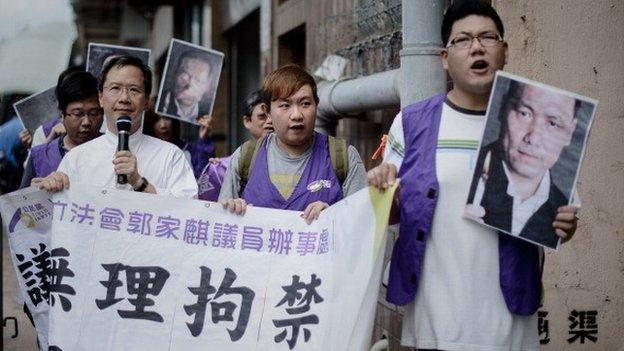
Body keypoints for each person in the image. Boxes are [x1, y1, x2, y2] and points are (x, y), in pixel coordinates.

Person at [367, 1, 579, 350]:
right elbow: (389, 213)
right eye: (463, 40)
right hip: (434, 319)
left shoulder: (541, 122)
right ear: (445, 58)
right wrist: (381, 189)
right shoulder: (411, 123)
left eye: (487, 38)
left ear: (505, 51)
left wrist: (566, 226)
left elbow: (558, 219)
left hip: (509, 319)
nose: (477, 47)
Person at [218, 65, 367, 223]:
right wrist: (231, 211)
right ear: (267, 111)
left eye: (305, 104)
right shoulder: (245, 157)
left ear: (316, 105)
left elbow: (363, 225)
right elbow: (220, 227)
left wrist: (333, 215)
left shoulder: (343, 157)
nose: (297, 115)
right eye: (285, 105)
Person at [36, 56, 197, 198]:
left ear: (147, 101)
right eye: (115, 88)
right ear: (100, 97)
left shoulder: (171, 156)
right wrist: (45, 191)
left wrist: (140, 184)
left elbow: (190, 211)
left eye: (134, 90)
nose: (124, 98)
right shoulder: (76, 158)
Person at [466, 80, 579, 248]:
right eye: (525, 113)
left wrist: (568, 229)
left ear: (570, 132)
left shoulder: (562, 204)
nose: (533, 139)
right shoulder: (467, 174)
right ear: (503, 108)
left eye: (553, 123)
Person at [21, 71, 104, 188]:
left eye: (94, 113)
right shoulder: (39, 156)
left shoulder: (114, 153)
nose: (86, 122)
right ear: (62, 113)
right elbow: (18, 204)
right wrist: (33, 194)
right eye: (78, 114)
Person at [197, 89, 273, 201]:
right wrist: (214, 171)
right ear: (247, 121)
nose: (269, 121)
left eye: (272, 114)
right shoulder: (238, 160)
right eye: (262, 116)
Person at [145, 111, 216, 178]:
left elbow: (205, 177)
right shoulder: (146, 153)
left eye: (167, 118)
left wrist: (203, 140)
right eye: (156, 120)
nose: (163, 125)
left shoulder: (190, 150)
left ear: (174, 119)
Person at [159, 50, 213, 123]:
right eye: (184, 76)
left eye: (198, 80)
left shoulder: (208, 116)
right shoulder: (158, 106)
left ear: (206, 87)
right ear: (175, 75)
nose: (189, 86)